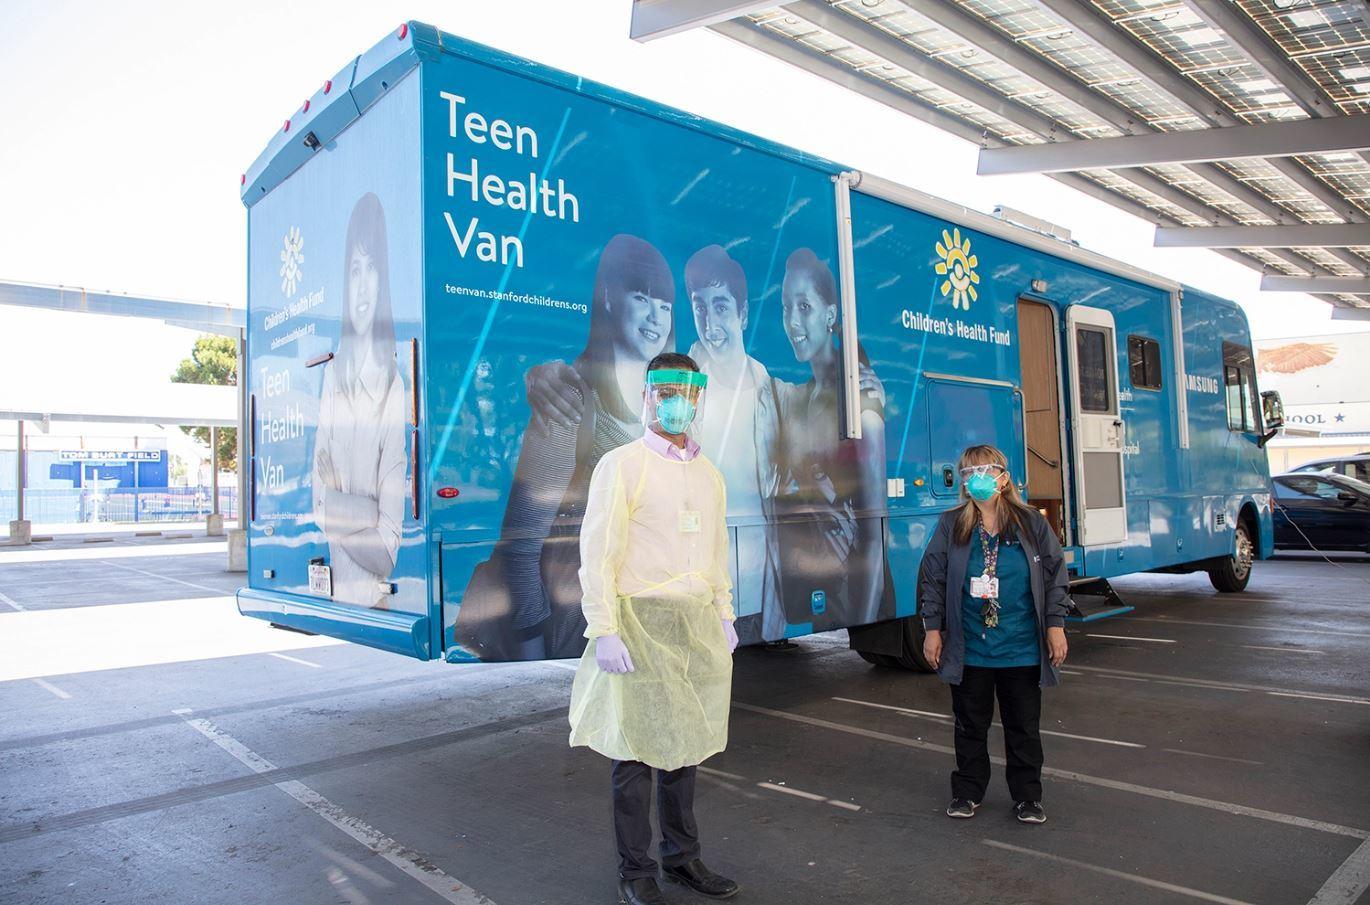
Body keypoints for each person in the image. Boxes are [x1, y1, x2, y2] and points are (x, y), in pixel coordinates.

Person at [568, 352, 741, 905]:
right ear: (647, 396)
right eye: (663, 391)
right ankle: (636, 871)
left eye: (685, 394)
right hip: (639, 624)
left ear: (697, 400)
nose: (674, 403)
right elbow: (597, 553)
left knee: (684, 748)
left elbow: (715, 551)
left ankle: (682, 860)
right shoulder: (621, 465)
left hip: (692, 626)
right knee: (636, 755)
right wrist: (605, 628)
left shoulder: (708, 473)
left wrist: (724, 613)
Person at [456, 234, 675, 660]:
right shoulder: (571, 400)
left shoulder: (667, 409)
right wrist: (533, 650)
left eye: (665, 306)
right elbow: (521, 546)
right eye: (642, 298)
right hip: (578, 625)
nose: (655, 318)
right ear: (609, 297)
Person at [917, 444, 1070, 824]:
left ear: (1003, 477)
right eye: (968, 473)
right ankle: (967, 792)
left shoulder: (1031, 523)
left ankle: (1028, 797)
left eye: (983, 471)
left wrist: (1055, 625)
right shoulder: (952, 524)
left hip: (1020, 647)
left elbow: (1055, 576)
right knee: (970, 725)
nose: (976, 480)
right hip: (970, 648)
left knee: (1023, 727)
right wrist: (932, 630)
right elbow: (932, 578)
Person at [765, 248, 889, 631]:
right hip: (827, 588)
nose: (792, 321)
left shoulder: (860, 406)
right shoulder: (800, 398)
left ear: (831, 316)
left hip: (856, 594)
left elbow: (873, 537)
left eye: (804, 306)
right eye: (786, 307)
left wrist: (863, 625)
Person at [311, 192, 406, 608]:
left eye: (372, 268)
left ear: (382, 279)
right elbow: (317, 503)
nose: (363, 283)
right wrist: (362, 512)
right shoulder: (332, 376)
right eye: (354, 269)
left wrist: (336, 510)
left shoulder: (393, 387)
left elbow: (386, 554)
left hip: (373, 599)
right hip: (339, 594)